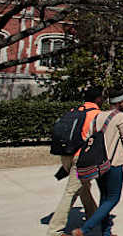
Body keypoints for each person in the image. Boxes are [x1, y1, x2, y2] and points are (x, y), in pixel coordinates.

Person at [68, 88, 123, 236]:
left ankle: (106, 232)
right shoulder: (121, 117)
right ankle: (84, 229)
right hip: (114, 164)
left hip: (98, 163)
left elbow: (87, 137)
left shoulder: (98, 116)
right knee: (113, 198)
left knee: (104, 198)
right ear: (120, 102)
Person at [46, 88, 102, 236]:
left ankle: (94, 216)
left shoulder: (75, 110)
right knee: (71, 192)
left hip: (66, 155)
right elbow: (96, 140)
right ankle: (55, 230)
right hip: (80, 158)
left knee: (83, 187)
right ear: (97, 99)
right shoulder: (95, 114)